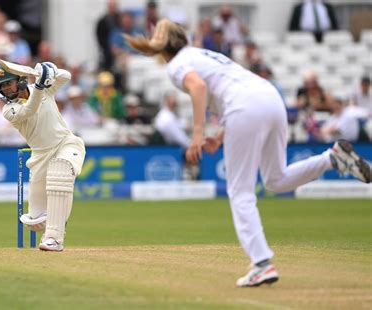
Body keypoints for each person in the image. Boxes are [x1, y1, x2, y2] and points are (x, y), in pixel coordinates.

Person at [124, 18, 371, 287]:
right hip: (271, 100)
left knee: (240, 191)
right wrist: (218, 137)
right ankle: (332, 158)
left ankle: (262, 263)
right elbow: (229, 93)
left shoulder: (176, 65)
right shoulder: (205, 54)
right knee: (277, 180)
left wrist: (197, 135)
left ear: (162, 45)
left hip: (245, 107)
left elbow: (199, 87)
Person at [0, 61, 86, 252]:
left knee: (60, 174)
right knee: (35, 221)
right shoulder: (8, 110)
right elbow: (30, 109)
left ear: (20, 81)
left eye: (7, 83)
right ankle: (57, 219)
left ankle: (54, 239)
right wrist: (40, 84)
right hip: (40, 156)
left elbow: (66, 76)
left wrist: (47, 69)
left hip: (66, 144)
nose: (4, 89)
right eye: (2, 86)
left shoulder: (43, 88)